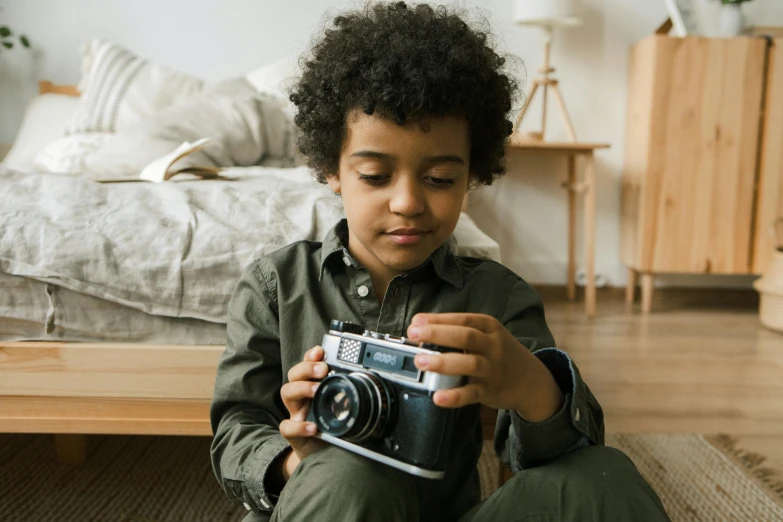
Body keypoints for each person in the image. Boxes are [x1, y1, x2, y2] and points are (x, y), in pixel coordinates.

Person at [210, 2, 671, 521]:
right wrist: (295, 463)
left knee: (602, 477)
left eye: (440, 179)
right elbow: (237, 430)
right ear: (331, 170)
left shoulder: (497, 299)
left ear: (472, 174)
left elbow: (553, 460)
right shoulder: (277, 285)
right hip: (323, 506)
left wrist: (532, 387)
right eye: (375, 176)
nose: (407, 202)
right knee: (343, 474)